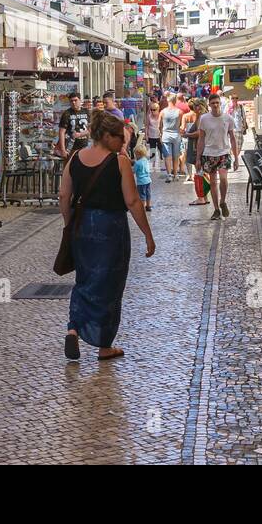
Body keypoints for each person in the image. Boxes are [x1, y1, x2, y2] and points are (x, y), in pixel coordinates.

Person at [60, 110, 155, 361]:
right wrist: (147, 234)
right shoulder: (119, 162)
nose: (123, 144)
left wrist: (69, 223)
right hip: (111, 228)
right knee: (110, 285)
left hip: (83, 227)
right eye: (119, 139)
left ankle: (73, 328)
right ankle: (104, 345)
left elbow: (63, 195)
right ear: (105, 136)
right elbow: (133, 201)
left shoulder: (75, 158)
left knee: (84, 279)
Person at [191, 93, 239, 220]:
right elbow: (201, 139)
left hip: (224, 153)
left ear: (220, 103)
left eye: (217, 103)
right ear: (209, 104)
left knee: (223, 179)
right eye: (213, 103)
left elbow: (233, 139)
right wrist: (198, 159)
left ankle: (223, 201)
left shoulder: (228, 118)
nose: (215, 105)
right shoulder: (204, 119)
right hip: (208, 154)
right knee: (213, 182)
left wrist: (236, 157)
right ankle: (216, 209)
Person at [159, 92, 183, 181]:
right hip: (176, 135)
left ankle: (169, 174)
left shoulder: (162, 112)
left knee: (167, 156)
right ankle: (176, 174)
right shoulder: (179, 112)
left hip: (166, 135)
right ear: (175, 100)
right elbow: (181, 125)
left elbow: (159, 125)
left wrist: (160, 134)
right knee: (176, 156)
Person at [133, 142, 153, 212]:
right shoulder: (146, 160)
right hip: (148, 180)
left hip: (141, 182)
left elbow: (133, 171)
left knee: (142, 195)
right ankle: (148, 206)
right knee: (148, 194)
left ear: (137, 154)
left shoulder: (137, 163)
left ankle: (142, 208)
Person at [144, 100, 162, 168]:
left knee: (161, 148)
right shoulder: (149, 116)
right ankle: (153, 162)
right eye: (151, 110)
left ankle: (161, 158)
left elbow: (162, 126)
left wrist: (162, 135)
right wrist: (146, 135)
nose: (152, 111)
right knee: (152, 149)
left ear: (158, 109)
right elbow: (146, 126)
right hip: (151, 135)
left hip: (159, 135)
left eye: (154, 110)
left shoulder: (161, 115)